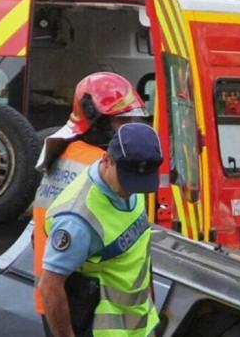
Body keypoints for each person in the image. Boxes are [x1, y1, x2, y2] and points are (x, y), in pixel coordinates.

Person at [33, 72, 148, 333]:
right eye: (122, 120)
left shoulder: (58, 151)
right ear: (98, 122)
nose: (130, 127)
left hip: (56, 299)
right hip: (85, 302)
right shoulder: (104, 167)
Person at [39, 123, 163, 337]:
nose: (133, 189)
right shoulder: (77, 220)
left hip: (139, 325)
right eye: (128, 180)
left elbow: (139, 251)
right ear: (106, 160)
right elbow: (50, 287)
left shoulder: (128, 183)